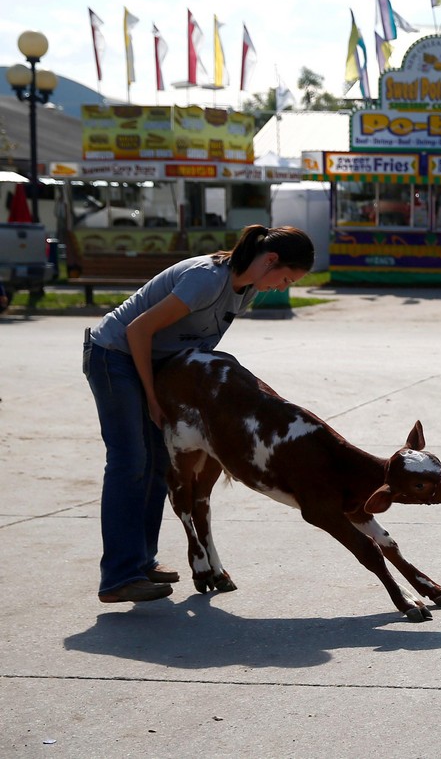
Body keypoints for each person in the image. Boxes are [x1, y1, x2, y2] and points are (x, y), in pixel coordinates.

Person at [83, 225, 314, 604]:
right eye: (286, 277)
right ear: (270, 260)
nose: (283, 287)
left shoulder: (244, 291)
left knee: (159, 462)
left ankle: (141, 562)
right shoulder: (206, 279)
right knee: (130, 461)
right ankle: (118, 576)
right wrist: (154, 399)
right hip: (115, 357)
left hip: (151, 365)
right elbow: (138, 331)